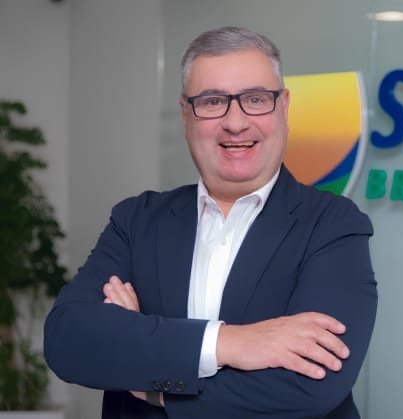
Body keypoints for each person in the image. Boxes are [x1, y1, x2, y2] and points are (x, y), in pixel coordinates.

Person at [44, 26, 377, 419]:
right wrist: (228, 342)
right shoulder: (137, 220)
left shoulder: (333, 225)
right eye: (213, 101)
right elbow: (68, 341)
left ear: (284, 107)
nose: (235, 123)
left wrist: (152, 382)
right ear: (186, 113)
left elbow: (311, 387)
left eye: (256, 99)